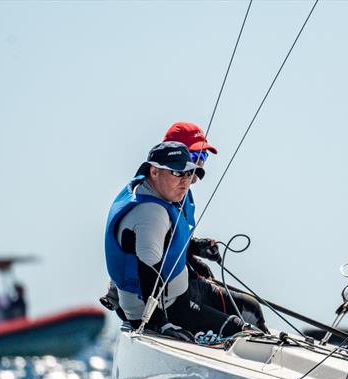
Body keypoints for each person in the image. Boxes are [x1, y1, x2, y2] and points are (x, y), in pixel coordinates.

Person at [101, 121, 267, 333]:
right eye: (193, 159)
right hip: (160, 304)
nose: (197, 168)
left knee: (250, 308)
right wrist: (160, 323)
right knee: (238, 328)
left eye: (202, 159)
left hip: (179, 289)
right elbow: (144, 257)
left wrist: (194, 250)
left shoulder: (172, 191)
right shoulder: (151, 207)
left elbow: (166, 241)